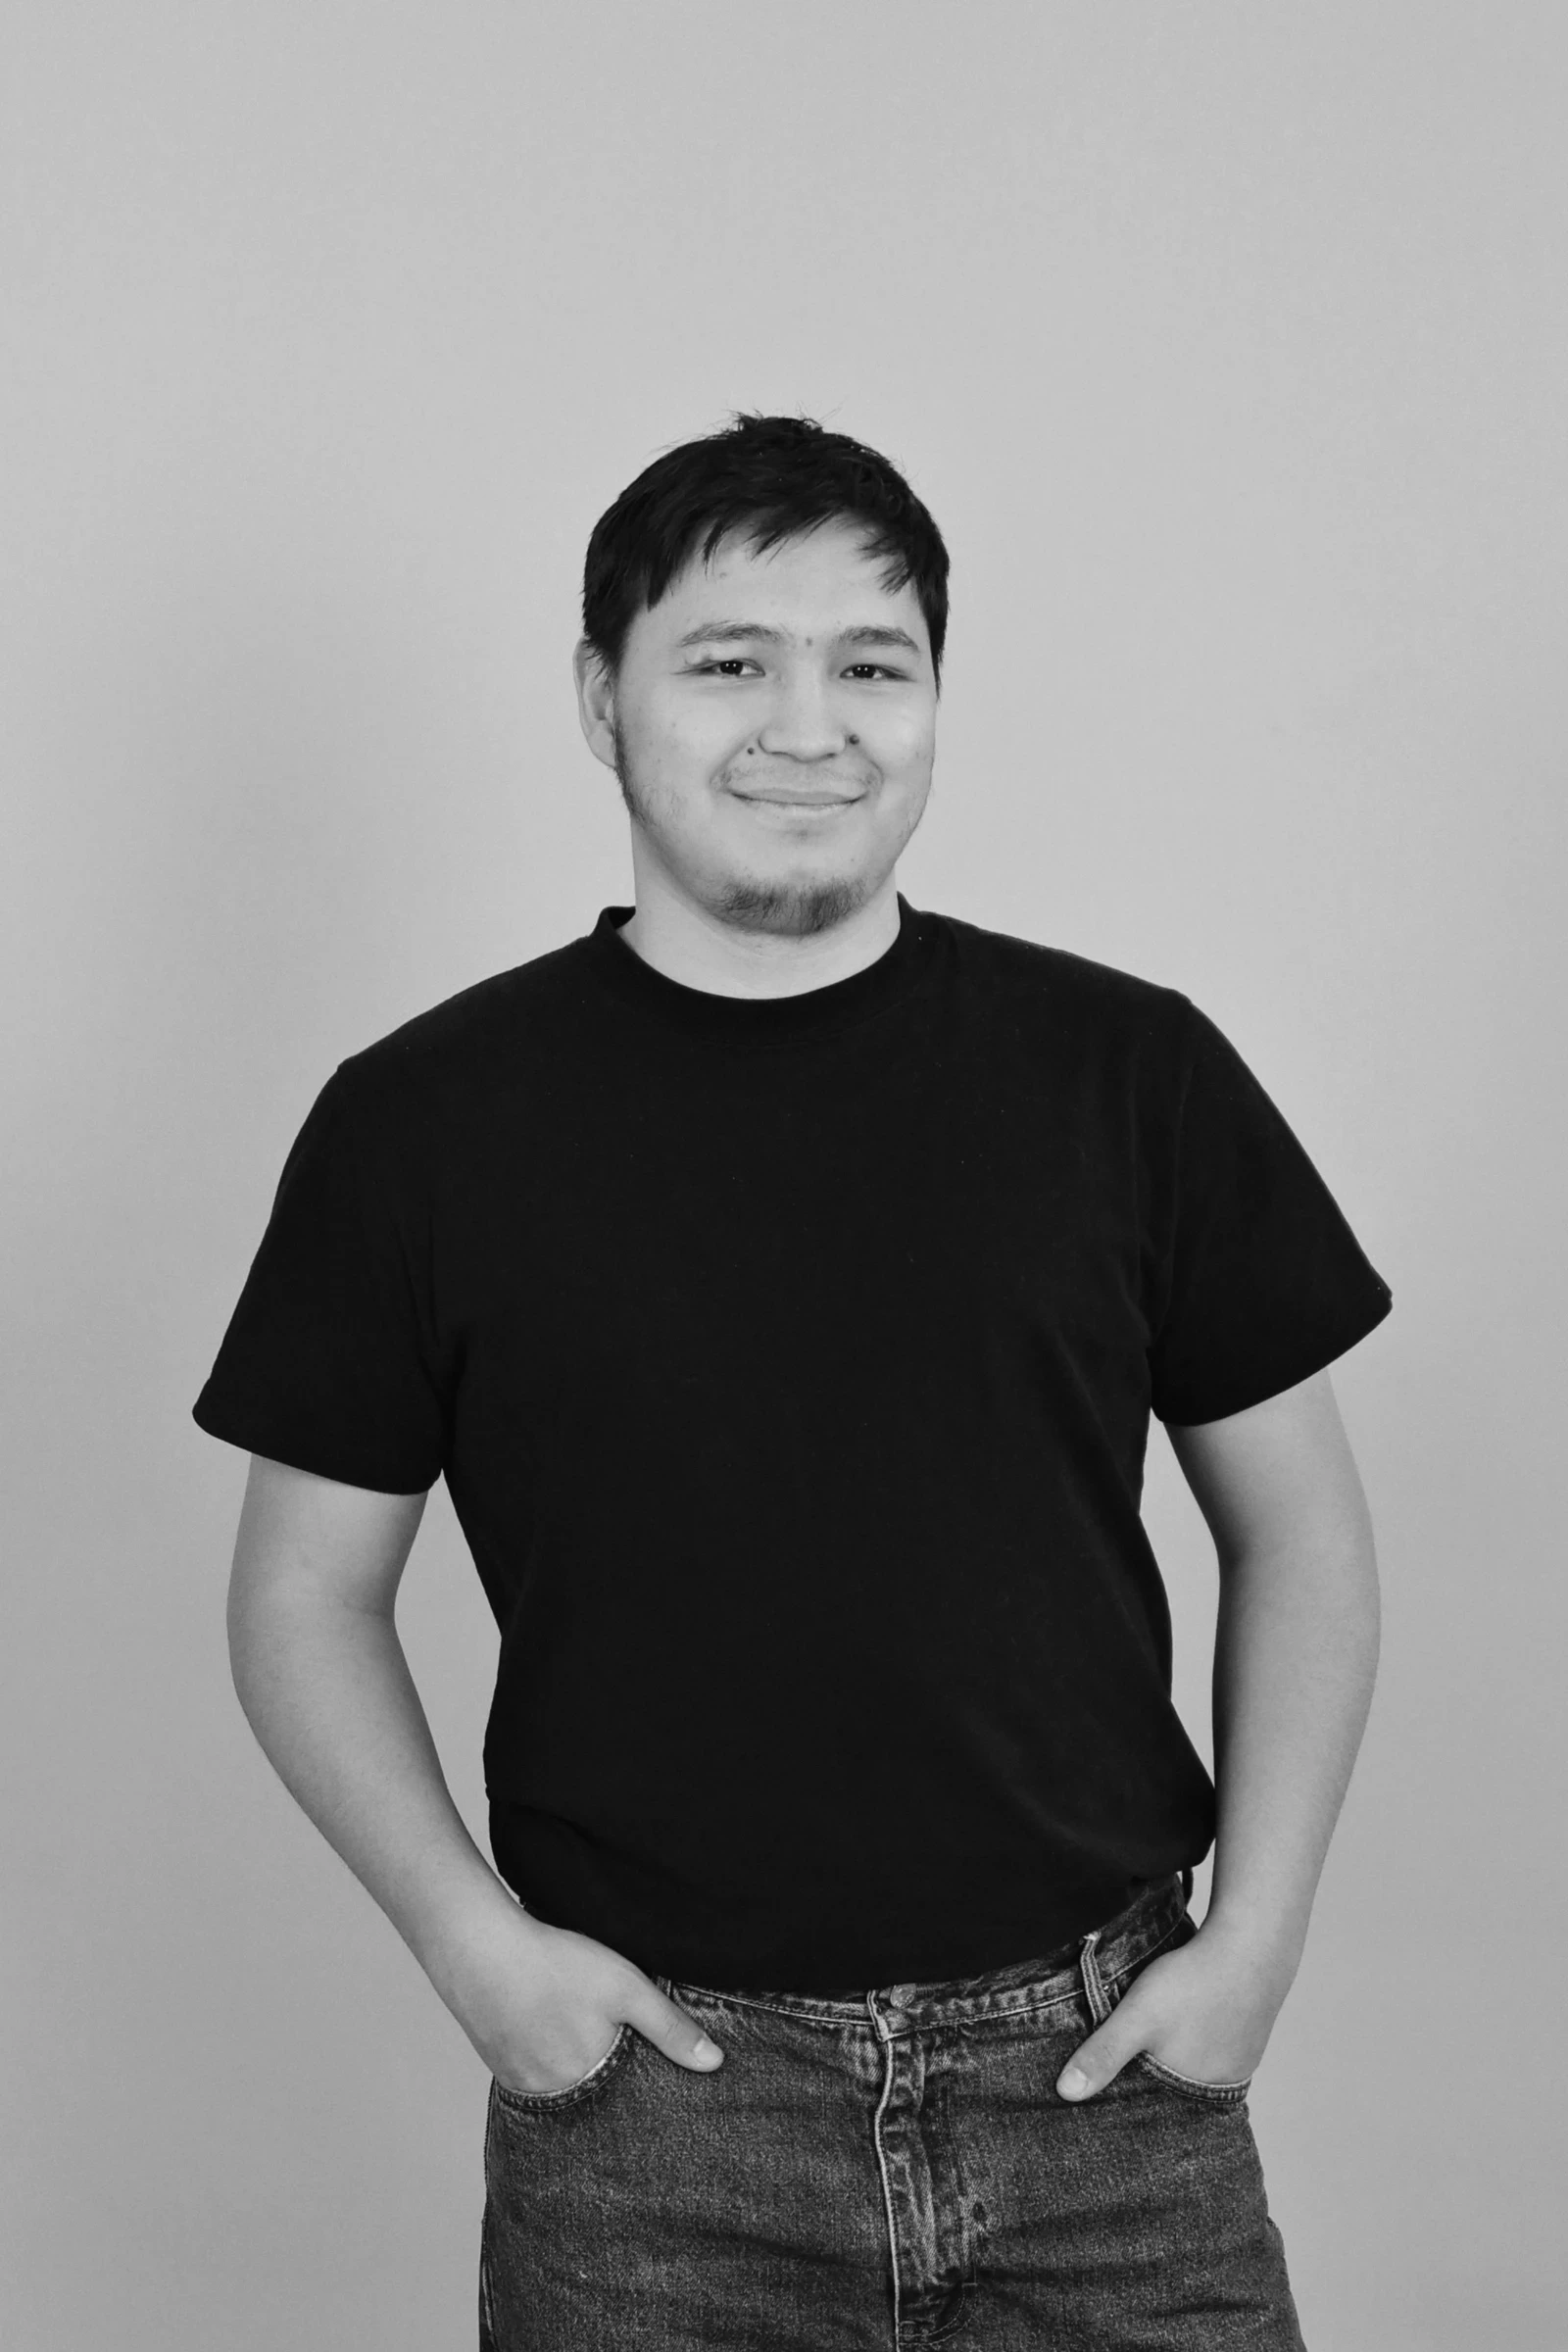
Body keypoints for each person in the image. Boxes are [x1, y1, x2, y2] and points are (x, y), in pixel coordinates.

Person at [194, 412, 1392, 2349]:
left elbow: (1305, 1535)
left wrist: (1250, 1946)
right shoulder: (422, 1125)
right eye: (730, 661)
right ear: (603, 699)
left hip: (1099, 2087)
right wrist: (469, 1950)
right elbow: (296, 1598)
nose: (806, 726)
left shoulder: (1127, 1075)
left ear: (932, 699)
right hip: (656, 2121)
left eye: (870, 665)